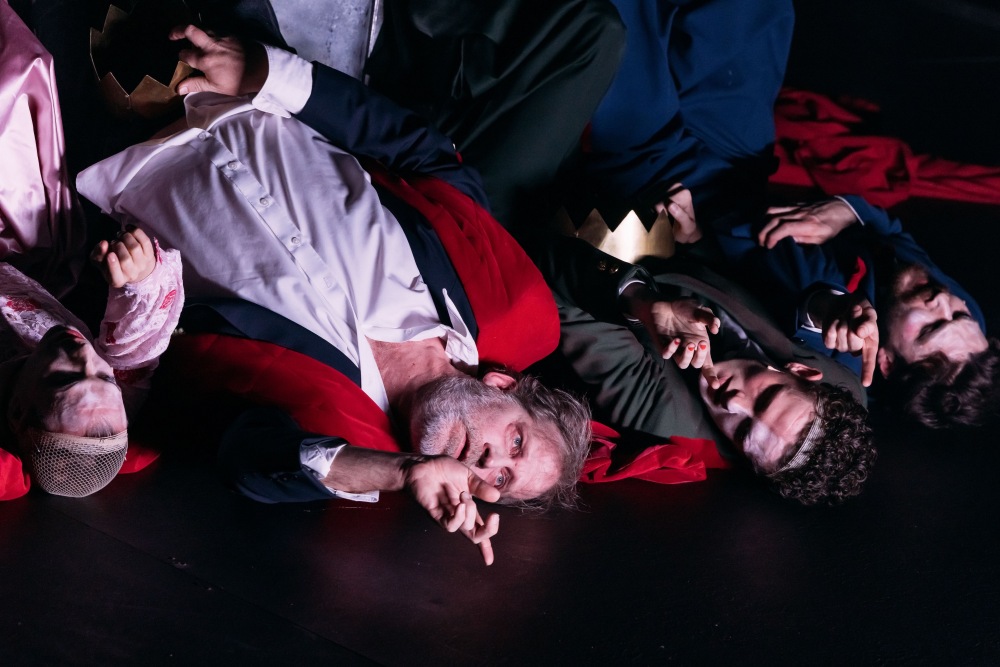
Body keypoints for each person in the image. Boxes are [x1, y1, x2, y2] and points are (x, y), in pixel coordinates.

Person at [76, 26, 592, 564]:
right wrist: (265, 72)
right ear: (502, 386)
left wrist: (401, 472)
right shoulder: (471, 291)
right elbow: (425, 154)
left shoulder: (342, 439)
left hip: (99, 148)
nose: (489, 462)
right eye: (515, 443)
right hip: (228, 69)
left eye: (502, 481)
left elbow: (245, 455)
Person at [536, 205, 875, 505]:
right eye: (765, 397)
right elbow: (760, 297)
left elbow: (544, 270)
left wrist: (640, 301)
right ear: (802, 371)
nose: (733, 402)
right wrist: (824, 306)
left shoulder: (659, 414)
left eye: (743, 431)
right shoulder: (844, 390)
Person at [707, 194, 999, 429]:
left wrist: (826, 307)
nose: (943, 299)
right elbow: (897, 237)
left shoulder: (834, 348)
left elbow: (745, 222)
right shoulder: (971, 325)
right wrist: (850, 211)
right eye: (960, 316)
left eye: (931, 328)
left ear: (886, 362)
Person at [1, 227, 184, 498]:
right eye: (106, 376)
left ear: (17, 411)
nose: (86, 353)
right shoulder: (108, 411)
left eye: (65, 378)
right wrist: (141, 280)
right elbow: (137, 350)